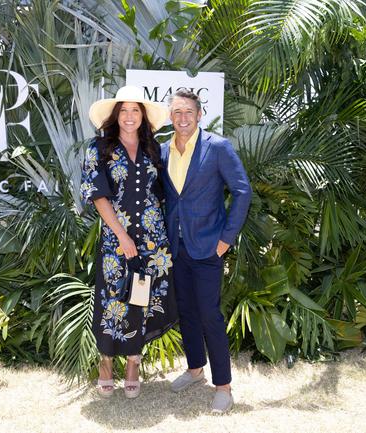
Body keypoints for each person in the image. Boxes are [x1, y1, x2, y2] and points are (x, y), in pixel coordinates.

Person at [80, 85, 178, 399]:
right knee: (112, 300)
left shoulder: (155, 150)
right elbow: (98, 195)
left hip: (152, 242)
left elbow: (166, 193)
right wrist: (122, 236)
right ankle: (106, 362)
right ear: (115, 114)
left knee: (141, 301)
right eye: (124, 110)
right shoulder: (99, 148)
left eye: (136, 110)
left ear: (144, 116)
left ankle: (134, 363)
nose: (129, 116)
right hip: (116, 241)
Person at [161, 89, 251, 413]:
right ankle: (195, 369)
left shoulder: (218, 147)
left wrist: (226, 238)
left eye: (188, 112)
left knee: (210, 315)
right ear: (170, 117)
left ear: (199, 115)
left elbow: (242, 191)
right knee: (186, 311)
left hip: (209, 248)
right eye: (176, 112)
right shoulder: (163, 151)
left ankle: (224, 386)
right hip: (177, 248)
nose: (182, 118)